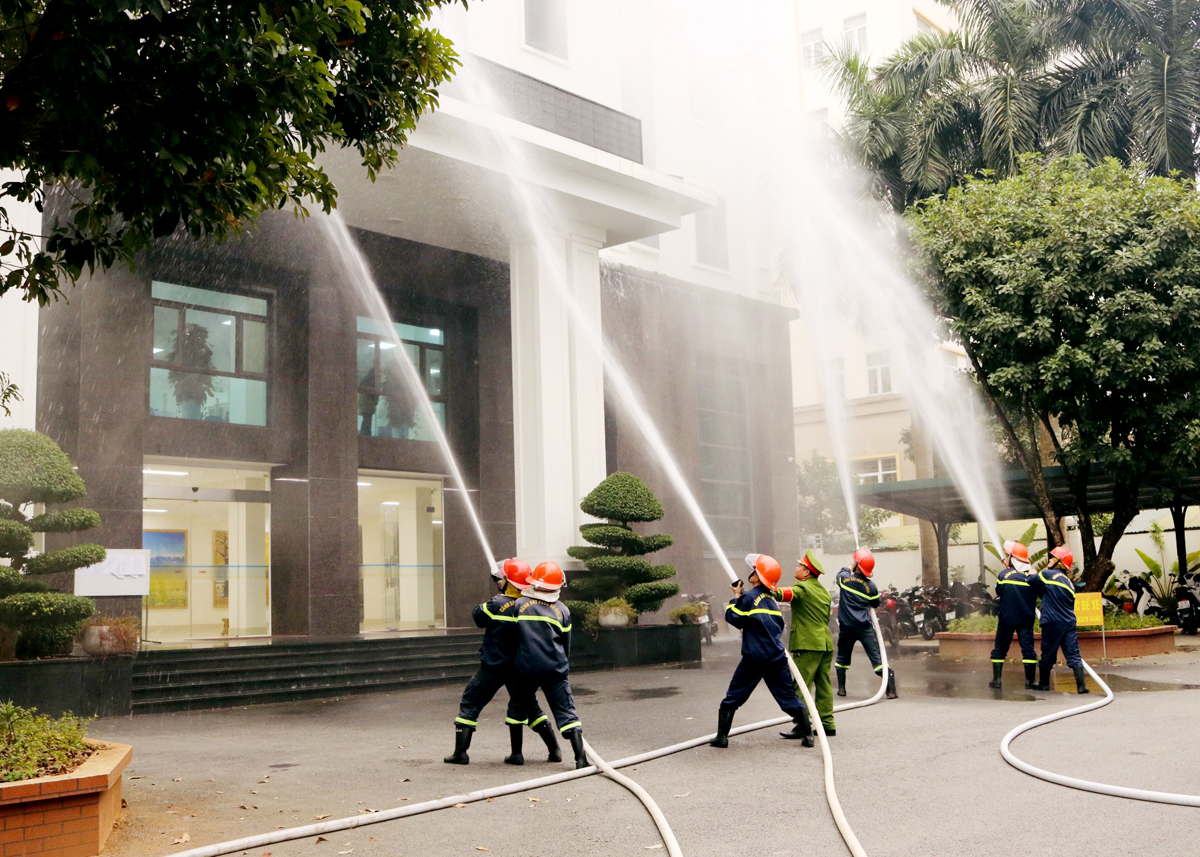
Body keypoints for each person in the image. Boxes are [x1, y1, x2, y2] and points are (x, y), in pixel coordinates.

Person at [444, 558, 561, 766]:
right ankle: (554, 750)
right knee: (530, 707)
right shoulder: (529, 605)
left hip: (494, 667)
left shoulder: (497, 604)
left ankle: (460, 753)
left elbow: (478, 617)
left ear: (508, 582)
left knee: (471, 702)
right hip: (519, 668)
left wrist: (494, 598)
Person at [709, 553, 814, 749]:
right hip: (776, 657)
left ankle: (721, 737)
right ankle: (808, 736)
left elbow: (734, 618)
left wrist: (736, 597)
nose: (751, 572)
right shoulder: (772, 601)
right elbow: (778, 625)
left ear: (758, 577)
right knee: (788, 697)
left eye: (754, 570)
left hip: (755, 657)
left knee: (734, 696)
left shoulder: (749, 597)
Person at [510, 562, 590, 768]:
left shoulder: (520, 605)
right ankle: (581, 759)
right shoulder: (563, 610)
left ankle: (517, 755)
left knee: (518, 707)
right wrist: (563, 666)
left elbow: (513, 638)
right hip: (555, 668)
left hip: (525, 668)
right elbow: (566, 643)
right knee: (566, 712)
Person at [773, 549, 836, 738]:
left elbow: (782, 594)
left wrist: (765, 585)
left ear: (806, 572)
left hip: (807, 643)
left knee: (801, 684)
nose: (796, 567)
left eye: (799, 565)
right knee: (823, 683)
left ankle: (802, 725)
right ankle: (827, 724)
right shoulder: (823, 591)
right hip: (824, 643)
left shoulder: (803, 587)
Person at [834, 548, 897, 699]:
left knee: (842, 659)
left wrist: (851, 565)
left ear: (856, 565)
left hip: (846, 628)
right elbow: (875, 603)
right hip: (864, 627)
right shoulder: (871, 586)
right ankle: (891, 690)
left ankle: (842, 689)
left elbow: (839, 574)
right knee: (877, 659)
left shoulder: (844, 580)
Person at [1033, 546, 1089, 694]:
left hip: (1052, 622)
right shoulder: (1069, 582)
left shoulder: (1047, 574)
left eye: (1053, 558)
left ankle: (1044, 684)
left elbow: (1032, 581)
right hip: (1069, 622)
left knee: (1048, 654)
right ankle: (1081, 687)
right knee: (1073, 654)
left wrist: (1031, 573)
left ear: (1059, 562)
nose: (1050, 560)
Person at [988, 540, 1039, 689]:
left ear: (1011, 558)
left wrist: (1008, 570)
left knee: (1000, 649)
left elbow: (999, 591)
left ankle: (997, 680)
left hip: (1006, 618)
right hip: (1026, 618)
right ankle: (1030, 681)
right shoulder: (1032, 576)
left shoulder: (1004, 574)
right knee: (1028, 649)